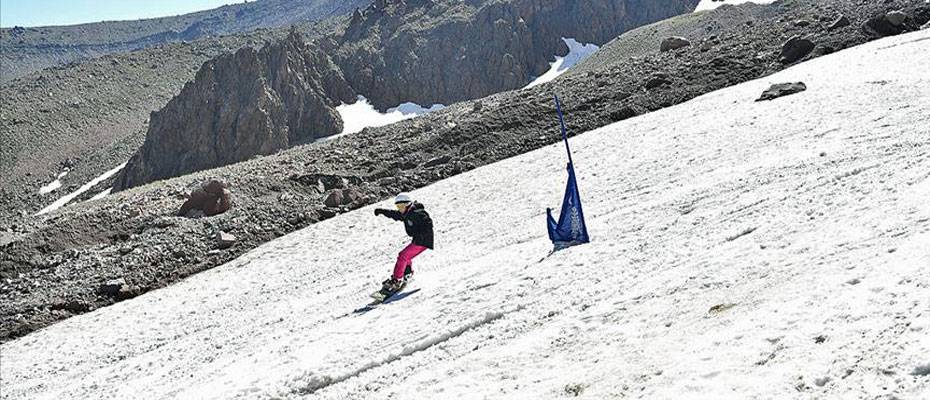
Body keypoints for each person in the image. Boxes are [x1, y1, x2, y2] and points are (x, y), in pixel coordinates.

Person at [374, 193, 434, 293]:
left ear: (408, 204)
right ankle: (408, 272)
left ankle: (396, 280)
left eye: (401, 206)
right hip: (418, 240)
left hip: (423, 240)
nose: (400, 208)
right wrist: (381, 211)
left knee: (403, 256)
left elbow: (428, 221)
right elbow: (394, 214)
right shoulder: (406, 213)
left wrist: (422, 232)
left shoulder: (417, 213)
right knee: (406, 256)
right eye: (398, 206)